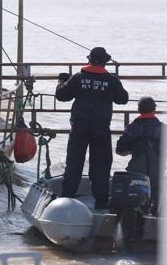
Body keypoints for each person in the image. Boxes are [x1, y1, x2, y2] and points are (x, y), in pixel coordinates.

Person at [55, 47, 129, 209]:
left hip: (79, 127)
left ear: (89, 60)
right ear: (105, 62)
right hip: (101, 129)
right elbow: (123, 99)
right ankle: (101, 201)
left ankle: (67, 197)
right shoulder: (111, 80)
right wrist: (114, 84)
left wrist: (61, 81)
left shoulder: (78, 77)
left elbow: (61, 96)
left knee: (74, 162)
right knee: (101, 164)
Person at [116, 97, 163, 215]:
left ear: (139, 110)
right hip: (156, 175)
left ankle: (138, 209)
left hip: (137, 177)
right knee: (158, 183)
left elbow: (119, 150)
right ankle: (156, 209)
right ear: (154, 110)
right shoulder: (163, 128)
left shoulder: (131, 128)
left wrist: (134, 150)